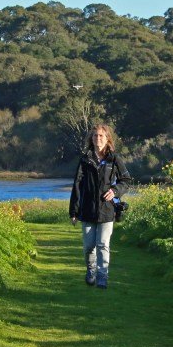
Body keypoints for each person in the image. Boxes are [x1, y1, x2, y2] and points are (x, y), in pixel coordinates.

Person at [69, 123, 131, 289]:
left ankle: (103, 276)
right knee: (89, 246)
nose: (98, 138)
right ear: (91, 138)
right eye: (95, 135)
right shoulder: (85, 159)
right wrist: (73, 211)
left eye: (101, 135)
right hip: (87, 209)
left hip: (107, 209)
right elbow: (77, 185)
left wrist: (115, 191)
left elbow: (126, 181)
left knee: (103, 244)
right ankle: (91, 271)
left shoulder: (115, 159)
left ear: (107, 138)